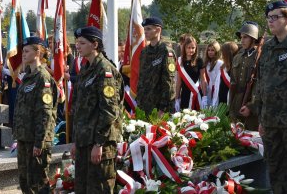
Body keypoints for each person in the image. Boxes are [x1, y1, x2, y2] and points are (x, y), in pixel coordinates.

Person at [240, 0, 287, 194]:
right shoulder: (267, 47)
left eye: (275, 17)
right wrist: (262, 118)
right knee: (276, 174)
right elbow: (263, 85)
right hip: (271, 123)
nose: (270, 21)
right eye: (268, 18)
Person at [71, 26, 124, 194]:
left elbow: (109, 110)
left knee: (99, 189)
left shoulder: (105, 70)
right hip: (84, 141)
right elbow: (79, 110)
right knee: (82, 188)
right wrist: (75, 141)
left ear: (95, 45)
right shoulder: (86, 69)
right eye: (77, 43)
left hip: (100, 143)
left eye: (82, 43)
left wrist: (99, 143)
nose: (77, 46)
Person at [13, 36, 59, 194]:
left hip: (36, 140)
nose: (23, 55)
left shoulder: (43, 78)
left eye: (26, 51)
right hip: (25, 137)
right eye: (22, 51)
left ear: (38, 52)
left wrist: (39, 142)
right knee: (25, 182)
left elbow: (44, 113)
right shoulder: (28, 77)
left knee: (38, 183)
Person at [136, 17, 176, 114]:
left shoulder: (166, 51)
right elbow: (141, 79)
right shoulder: (144, 52)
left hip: (160, 107)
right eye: (144, 29)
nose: (145, 32)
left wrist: (163, 108)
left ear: (158, 30)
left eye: (149, 29)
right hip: (144, 105)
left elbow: (169, 83)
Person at [229, 21, 261, 130]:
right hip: (237, 102)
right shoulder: (237, 57)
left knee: (251, 138)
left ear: (253, 39)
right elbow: (232, 83)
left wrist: (251, 107)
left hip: (252, 105)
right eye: (241, 37)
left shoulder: (260, 57)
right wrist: (231, 106)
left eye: (246, 37)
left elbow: (261, 86)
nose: (242, 40)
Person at [176, 34, 204, 110]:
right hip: (185, 94)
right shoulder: (180, 61)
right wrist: (177, 98)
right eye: (188, 48)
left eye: (193, 48)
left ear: (196, 48)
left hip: (197, 94)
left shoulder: (199, 60)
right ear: (184, 48)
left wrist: (205, 96)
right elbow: (178, 82)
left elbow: (203, 80)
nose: (191, 50)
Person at [202, 41, 228, 108]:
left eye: (212, 50)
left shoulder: (220, 63)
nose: (210, 52)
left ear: (217, 51)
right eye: (209, 50)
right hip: (207, 89)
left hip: (216, 90)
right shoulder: (206, 63)